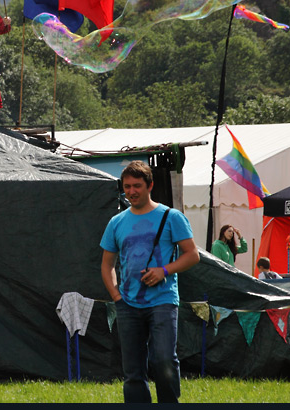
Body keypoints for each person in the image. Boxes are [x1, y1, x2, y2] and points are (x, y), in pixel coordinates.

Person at [100, 161, 200, 403]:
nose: (131, 192)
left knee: (164, 360)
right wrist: (116, 297)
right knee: (133, 371)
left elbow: (192, 255)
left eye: (137, 186)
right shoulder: (116, 222)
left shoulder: (171, 217)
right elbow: (106, 266)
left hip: (163, 300)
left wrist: (164, 270)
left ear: (150, 186)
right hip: (128, 303)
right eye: (127, 187)